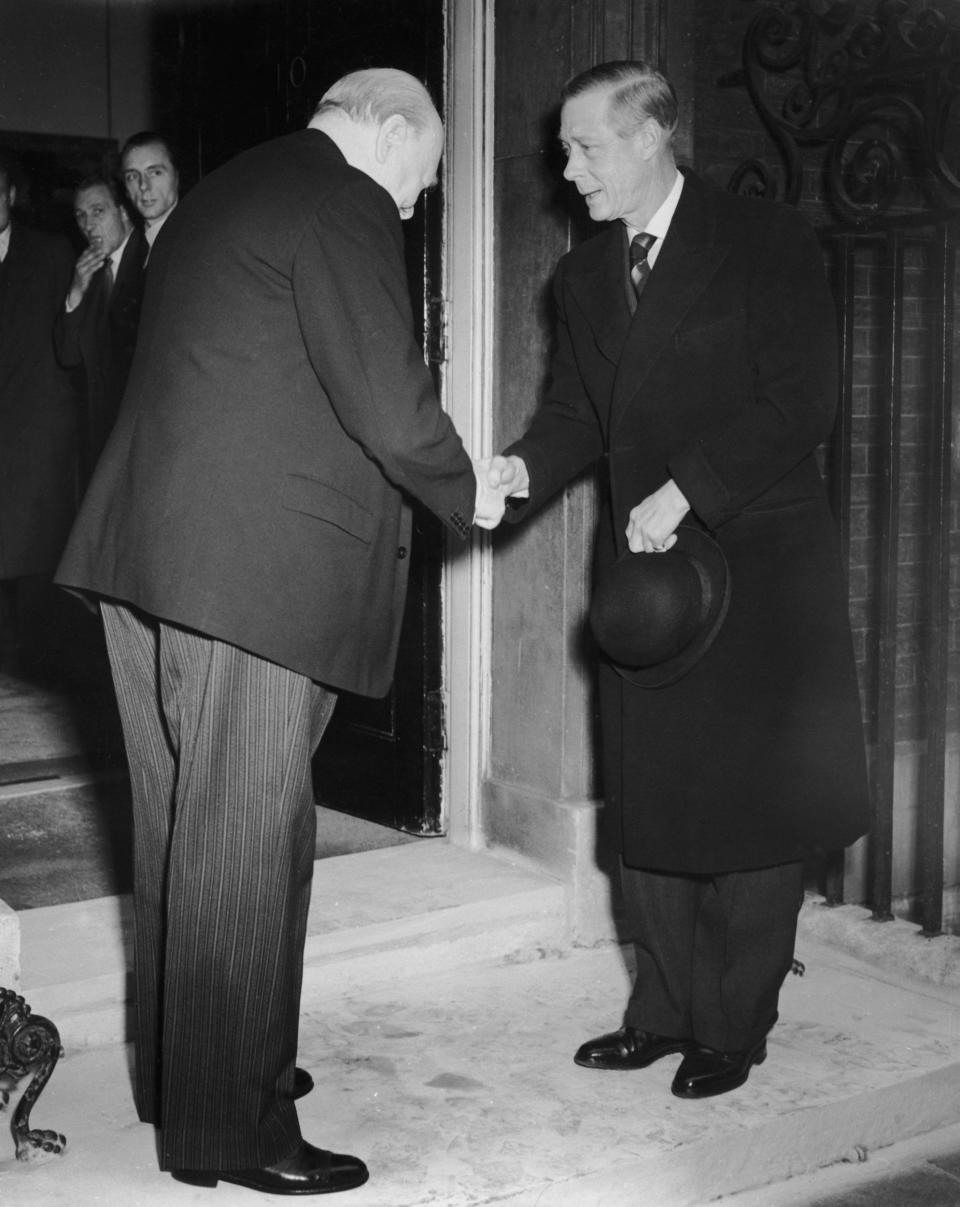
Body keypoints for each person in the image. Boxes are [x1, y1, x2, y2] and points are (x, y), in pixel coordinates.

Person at [55, 67, 504, 1195]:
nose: (416, 198)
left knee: (179, 837)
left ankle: (193, 1068)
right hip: (247, 584)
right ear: (388, 128)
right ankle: (236, 1128)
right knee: (246, 847)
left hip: (148, 558)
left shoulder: (227, 192)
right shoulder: (343, 197)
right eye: (426, 172)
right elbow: (387, 401)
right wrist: (471, 487)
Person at [484, 61, 869, 1099]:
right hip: (651, 587)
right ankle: (659, 1010)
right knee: (650, 802)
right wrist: (523, 467)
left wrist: (686, 489)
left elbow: (804, 400)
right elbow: (577, 415)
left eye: (585, 147)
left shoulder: (765, 242)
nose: (567, 171)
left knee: (752, 808)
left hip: (756, 567)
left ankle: (733, 1024)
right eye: (565, 150)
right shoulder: (581, 277)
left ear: (652, 136)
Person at [0, 153, 77, 671]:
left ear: (9, 195)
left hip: (33, 426)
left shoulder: (50, 253)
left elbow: (69, 343)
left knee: (30, 548)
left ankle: (34, 659)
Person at [53, 175, 147, 483]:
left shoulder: (151, 257)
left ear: (122, 212)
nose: (88, 225)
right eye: (81, 215)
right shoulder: (89, 272)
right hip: (103, 437)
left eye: (98, 211)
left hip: (142, 437)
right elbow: (67, 356)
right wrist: (76, 292)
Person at [120, 131, 180, 254]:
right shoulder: (132, 249)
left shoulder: (196, 237)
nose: (143, 185)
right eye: (132, 176)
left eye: (155, 173)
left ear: (176, 176)